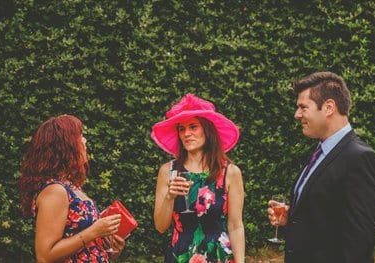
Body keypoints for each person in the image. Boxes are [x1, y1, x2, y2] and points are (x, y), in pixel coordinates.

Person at [267, 71, 375, 262]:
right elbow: (327, 216)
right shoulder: (319, 151)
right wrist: (293, 218)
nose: (297, 115)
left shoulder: (360, 158)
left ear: (329, 107)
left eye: (303, 107)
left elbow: (359, 242)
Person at [17, 114, 125, 263]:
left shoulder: (72, 188)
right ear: (65, 145)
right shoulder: (55, 190)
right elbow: (44, 256)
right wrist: (94, 231)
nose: (84, 141)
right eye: (79, 136)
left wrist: (110, 250)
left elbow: (85, 250)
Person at [151, 94, 245, 262]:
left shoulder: (230, 172)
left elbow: (235, 226)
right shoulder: (168, 171)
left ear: (207, 130)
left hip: (217, 256)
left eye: (193, 127)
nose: (187, 133)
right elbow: (160, 227)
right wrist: (170, 197)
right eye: (181, 128)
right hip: (180, 256)